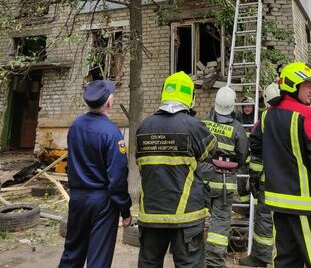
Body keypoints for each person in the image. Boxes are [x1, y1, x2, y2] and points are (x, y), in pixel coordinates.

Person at [250, 62, 311, 267]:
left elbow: (255, 145)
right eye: (308, 85)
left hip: (279, 205)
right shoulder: (306, 115)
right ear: (293, 85)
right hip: (308, 206)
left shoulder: (267, 115)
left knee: (287, 260)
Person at [136, 71, 217, 268]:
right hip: (186, 218)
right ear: (190, 97)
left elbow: (141, 166)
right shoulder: (194, 126)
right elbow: (211, 153)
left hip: (151, 216)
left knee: (149, 264)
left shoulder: (143, 127)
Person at [59, 79, 132, 268]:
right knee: (98, 259)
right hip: (103, 203)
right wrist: (125, 209)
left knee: (72, 253)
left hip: (77, 199)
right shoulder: (112, 134)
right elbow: (117, 178)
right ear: (109, 102)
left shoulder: (75, 126)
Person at [202, 87, 249, 268]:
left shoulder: (204, 123)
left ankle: (192, 256)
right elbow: (242, 155)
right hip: (224, 182)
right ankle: (214, 262)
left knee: (197, 218)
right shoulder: (237, 128)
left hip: (203, 180)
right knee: (220, 224)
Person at [240, 83, 280, 268]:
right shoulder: (298, 116)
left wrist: (254, 178)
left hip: (267, 181)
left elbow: (256, 153)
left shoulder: (264, 120)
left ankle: (263, 258)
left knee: (264, 220)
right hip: (291, 183)